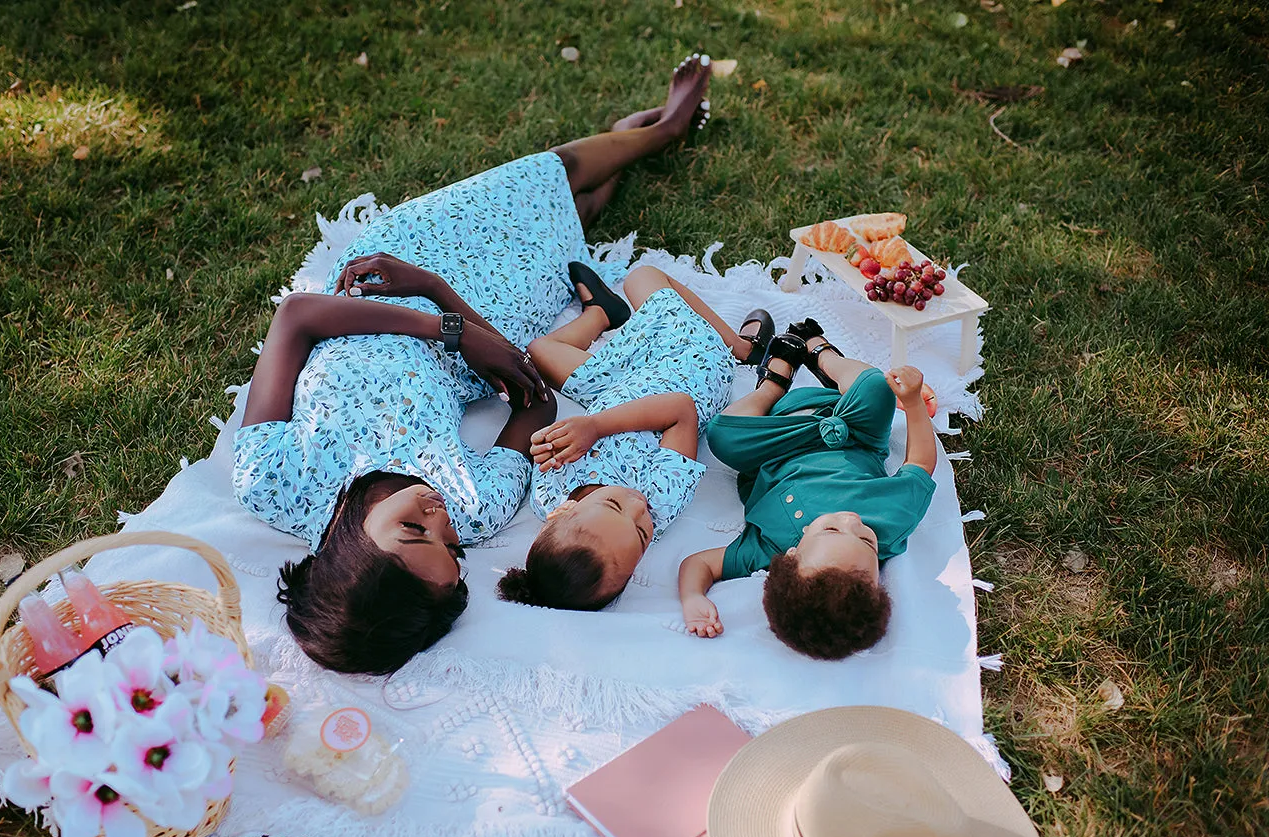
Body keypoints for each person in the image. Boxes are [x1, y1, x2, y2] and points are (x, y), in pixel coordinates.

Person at [233, 56, 714, 674]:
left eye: (412, 528)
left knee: (551, 174)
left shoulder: (273, 482)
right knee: (571, 226)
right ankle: (627, 146)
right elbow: (535, 399)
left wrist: (438, 313)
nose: (436, 515)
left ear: (347, 548)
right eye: (451, 546)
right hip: (475, 323)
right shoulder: (476, 507)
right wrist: (445, 303)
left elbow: (298, 317)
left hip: (386, 281)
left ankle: (660, 131)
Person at [497, 264, 774, 610]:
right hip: (687, 370)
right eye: (643, 536)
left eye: (614, 505)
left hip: (619, 384)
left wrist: (548, 438)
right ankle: (740, 348)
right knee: (642, 278)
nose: (637, 507)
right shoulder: (660, 498)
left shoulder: (547, 493)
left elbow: (550, 440)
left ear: (563, 512)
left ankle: (601, 314)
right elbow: (681, 411)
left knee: (539, 350)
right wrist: (594, 427)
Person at [676, 321, 938, 658]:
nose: (851, 520)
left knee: (722, 434)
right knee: (877, 386)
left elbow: (701, 564)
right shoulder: (894, 521)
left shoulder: (766, 547)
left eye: (831, 529)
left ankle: (772, 383)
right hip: (851, 432)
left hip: (777, 440)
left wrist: (692, 597)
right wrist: (914, 403)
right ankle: (822, 354)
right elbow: (920, 464)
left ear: (791, 556)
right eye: (867, 541)